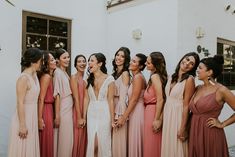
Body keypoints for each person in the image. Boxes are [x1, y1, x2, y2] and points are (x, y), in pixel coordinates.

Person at [188, 55, 235, 157]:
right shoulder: (198, 88)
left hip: (210, 133)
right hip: (194, 131)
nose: (197, 70)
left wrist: (223, 124)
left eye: (200, 68)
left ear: (210, 72)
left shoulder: (221, 90)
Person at [161, 52, 200, 157]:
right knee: (168, 145)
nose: (187, 63)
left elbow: (186, 105)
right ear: (182, 58)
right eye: (187, 59)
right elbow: (165, 100)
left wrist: (183, 128)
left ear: (193, 67)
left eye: (191, 63)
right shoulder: (171, 77)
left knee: (177, 146)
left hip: (178, 116)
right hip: (168, 114)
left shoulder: (189, 80)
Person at [8, 48, 43, 157]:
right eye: (40, 61)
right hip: (23, 118)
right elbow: (20, 102)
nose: (41, 63)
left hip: (32, 116)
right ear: (34, 61)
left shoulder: (35, 76)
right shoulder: (23, 78)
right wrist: (22, 125)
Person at [84, 53, 115, 157]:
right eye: (89, 60)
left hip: (104, 113)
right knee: (92, 144)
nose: (89, 63)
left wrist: (112, 119)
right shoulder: (87, 80)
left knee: (102, 143)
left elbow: (111, 100)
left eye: (92, 60)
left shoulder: (110, 79)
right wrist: (83, 117)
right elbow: (86, 99)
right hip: (91, 113)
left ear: (100, 63)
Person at [116, 53, 147, 157]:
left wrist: (123, 117)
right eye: (131, 60)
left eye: (134, 61)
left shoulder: (138, 77)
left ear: (141, 66)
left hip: (137, 112)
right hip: (134, 111)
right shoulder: (135, 77)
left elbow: (134, 100)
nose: (130, 62)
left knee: (135, 140)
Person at [143, 52, 167, 157]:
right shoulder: (154, 75)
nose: (145, 63)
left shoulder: (155, 77)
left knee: (152, 143)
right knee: (150, 142)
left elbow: (160, 99)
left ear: (155, 65)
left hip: (153, 112)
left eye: (148, 63)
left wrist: (157, 119)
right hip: (150, 111)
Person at [53, 48, 73, 157]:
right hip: (63, 109)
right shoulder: (58, 73)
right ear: (58, 60)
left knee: (67, 137)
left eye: (68, 57)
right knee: (64, 138)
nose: (67, 59)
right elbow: (57, 95)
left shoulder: (64, 72)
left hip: (68, 108)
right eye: (64, 58)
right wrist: (57, 116)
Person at [112, 47, 131, 157]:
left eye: (122, 56)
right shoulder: (114, 73)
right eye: (118, 55)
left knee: (119, 139)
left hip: (119, 108)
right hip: (112, 105)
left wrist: (121, 116)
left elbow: (123, 97)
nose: (119, 58)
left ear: (126, 59)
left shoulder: (125, 74)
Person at [38, 51, 57, 157]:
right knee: (46, 139)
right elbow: (41, 98)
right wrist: (40, 118)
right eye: (53, 60)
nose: (56, 61)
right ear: (46, 63)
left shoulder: (50, 76)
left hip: (49, 109)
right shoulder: (46, 77)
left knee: (48, 139)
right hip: (45, 110)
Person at [71, 54, 87, 157]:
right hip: (78, 111)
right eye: (79, 61)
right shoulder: (74, 78)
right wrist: (80, 117)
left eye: (83, 61)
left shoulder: (88, 77)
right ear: (75, 65)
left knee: (85, 138)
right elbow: (76, 98)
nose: (82, 63)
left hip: (87, 111)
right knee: (78, 138)